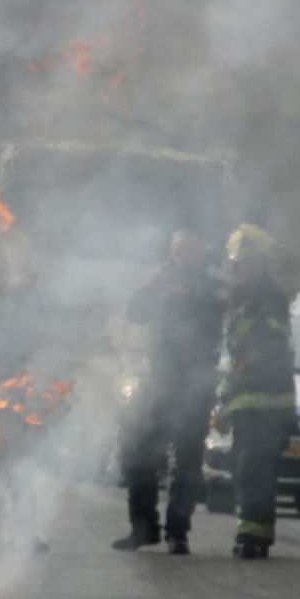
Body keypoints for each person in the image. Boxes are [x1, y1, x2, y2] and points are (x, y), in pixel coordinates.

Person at [113, 231, 228, 555]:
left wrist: (186, 296)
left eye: (187, 252)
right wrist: (156, 288)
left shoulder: (212, 285)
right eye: (177, 251)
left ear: (200, 254)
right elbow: (136, 313)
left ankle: (178, 532)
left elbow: (219, 308)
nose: (181, 258)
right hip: (161, 382)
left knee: (187, 462)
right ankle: (143, 528)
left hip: (194, 385)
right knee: (139, 455)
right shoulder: (162, 281)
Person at [215, 224, 296, 560]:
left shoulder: (270, 297)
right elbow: (233, 359)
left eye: (250, 261)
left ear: (262, 263)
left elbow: (265, 348)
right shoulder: (239, 299)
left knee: (254, 468)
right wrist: (223, 401)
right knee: (247, 468)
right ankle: (255, 532)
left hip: (270, 402)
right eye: (239, 262)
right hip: (245, 401)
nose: (243, 268)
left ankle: (253, 536)